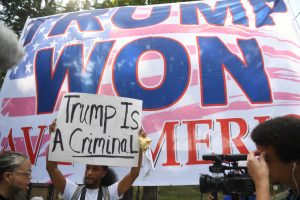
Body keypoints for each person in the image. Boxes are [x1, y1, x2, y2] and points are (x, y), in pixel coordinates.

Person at [46, 121, 144, 200]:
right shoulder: (72, 191)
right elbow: (51, 168)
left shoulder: (110, 193)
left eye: (95, 169)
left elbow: (133, 174)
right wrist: (54, 137)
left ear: (104, 173)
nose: (89, 172)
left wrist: (139, 147)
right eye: (88, 168)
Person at [247, 116, 300, 200]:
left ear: (295, 162)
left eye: (266, 159)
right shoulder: (293, 194)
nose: (261, 165)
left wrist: (261, 183)